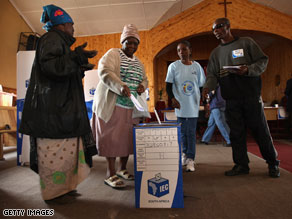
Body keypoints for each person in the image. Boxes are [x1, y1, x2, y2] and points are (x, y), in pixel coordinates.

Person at [19, 5, 98, 201]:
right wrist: (75, 57)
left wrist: (78, 65)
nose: (73, 28)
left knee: (67, 150)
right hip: (54, 110)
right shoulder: (52, 39)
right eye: (71, 25)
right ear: (62, 25)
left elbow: (61, 70)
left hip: (60, 108)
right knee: (54, 151)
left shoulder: (58, 41)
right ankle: (54, 193)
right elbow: (52, 67)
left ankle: (64, 187)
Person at [202, 17, 280, 178]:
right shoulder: (216, 53)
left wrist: (248, 69)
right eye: (213, 29)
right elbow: (212, 74)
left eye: (219, 27)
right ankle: (241, 165)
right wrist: (207, 88)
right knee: (236, 133)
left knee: (260, 132)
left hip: (250, 97)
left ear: (228, 26)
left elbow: (263, 60)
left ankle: (273, 163)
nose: (216, 31)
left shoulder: (246, 42)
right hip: (231, 99)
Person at [92, 24, 148, 189]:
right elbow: (105, 72)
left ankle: (122, 168)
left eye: (134, 43)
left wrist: (143, 86)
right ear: (122, 41)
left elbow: (144, 79)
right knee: (111, 139)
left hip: (132, 107)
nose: (131, 46)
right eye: (128, 42)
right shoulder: (113, 54)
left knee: (127, 140)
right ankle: (110, 173)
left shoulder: (138, 62)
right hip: (113, 104)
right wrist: (120, 86)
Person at [165, 40, 206, 172]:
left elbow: (201, 86)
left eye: (184, 49)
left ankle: (191, 159)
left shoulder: (197, 67)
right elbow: (168, 86)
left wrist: (203, 102)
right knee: (182, 132)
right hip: (180, 105)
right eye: (179, 50)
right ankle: (184, 154)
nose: (181, 52)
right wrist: (172, 99)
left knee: (191, 132)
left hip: (193, 105)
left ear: (190, 50)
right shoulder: (173, 66)